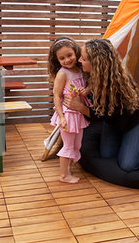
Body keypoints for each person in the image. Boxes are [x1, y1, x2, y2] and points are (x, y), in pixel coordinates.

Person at [64, 38, 139, 172]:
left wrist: (79, 107)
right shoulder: (89, 75)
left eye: (84, 58)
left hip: (135, 121)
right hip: (113, 121)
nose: (79, 61)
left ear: (96, 63)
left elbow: (101, 114)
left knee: (128, 166)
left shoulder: (116, 86)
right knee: (107, 156)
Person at [48, 37, 91, 183]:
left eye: (69, 55)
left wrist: (85, 90)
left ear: (76, 53)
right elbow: (56, 96)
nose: (67, 60)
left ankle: (68, 170)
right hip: (68, 114)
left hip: (79, 113)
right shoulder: (62, 74)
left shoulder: (80, 70)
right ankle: (64, 175)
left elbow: (87, 85)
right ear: (57, 60)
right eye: (62, 58)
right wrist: (61, 117)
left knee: (77, 145)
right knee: (68, 145)